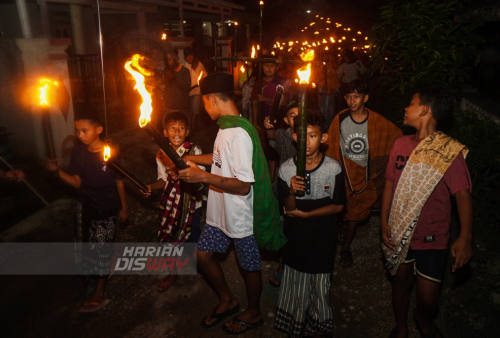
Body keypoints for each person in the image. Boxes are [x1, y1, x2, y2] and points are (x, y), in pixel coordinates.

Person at [178, 73, 286, 335]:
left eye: (204, 102)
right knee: (203, 256)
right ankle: (228, 299)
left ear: (212, 99)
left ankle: (254, 311)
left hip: (241, 216)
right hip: (220, 212)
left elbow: (243, 185)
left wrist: (202, 177)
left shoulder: (237, 133)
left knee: (249, 266)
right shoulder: (227, 127)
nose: (204, 108)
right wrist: (192, 160)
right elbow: (218, 159)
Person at [381, 83, 473, 338]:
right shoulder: (399, 144)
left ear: (424, 110)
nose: (405, 108)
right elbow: (389, 183)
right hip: (400, 230)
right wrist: (384, 222)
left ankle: (423, 320)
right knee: (400, 282)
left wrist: (465, 237)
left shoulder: (447, 151)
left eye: (411, 103)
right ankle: (401, 327)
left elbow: (462, 194)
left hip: (433, 236)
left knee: (428, 299)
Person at [274, 110, 346, 338]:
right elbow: (287, 208)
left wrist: (308, 215)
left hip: (322, 238)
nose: (306, 142)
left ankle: (318, 324)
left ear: (323, 137)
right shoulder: (286, 169)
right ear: (294, 137)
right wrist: (293, 191)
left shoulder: (333, 168)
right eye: (301, 136)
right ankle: (295, 324)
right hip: (295, 239)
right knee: (295, 284)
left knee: (319, 285)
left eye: (313, 136)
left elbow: (338, 206)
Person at [47, 116, 129, 313]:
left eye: (85, 130)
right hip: (84, 205)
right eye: (77, 131)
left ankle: (100, 292)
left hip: (106, 206)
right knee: (83, 243)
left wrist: (124, 207)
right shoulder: (77, 152)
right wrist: (56, 171)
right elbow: (77, 183)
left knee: (102, 246)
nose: (80, 135)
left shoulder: (110, 153)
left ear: (99, 129)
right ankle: (92, 273)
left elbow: (119, 181)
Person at [325, 79, 402, 267]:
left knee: (355, 214)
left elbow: (397, 135)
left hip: (365, 175)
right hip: (344, 173)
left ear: (365, 98)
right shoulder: (340, 118)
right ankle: (338, 232)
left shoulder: (376, 121)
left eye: (357, 96)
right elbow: (332, 145)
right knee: (338, 208)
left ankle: (345, 248)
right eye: (349, 96)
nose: (352, 101)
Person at [142, 112, 204, 292]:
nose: (177, 131)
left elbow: (200, 178)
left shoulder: (195, 151)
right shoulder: (161, 154)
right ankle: (173, 271)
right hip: (169, 203)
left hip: (190, 202)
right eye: (172, 128)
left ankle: (203, 266)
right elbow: (163, 179)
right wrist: (152, 187)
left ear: (187, 132)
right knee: (167, 237)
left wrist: (185, 173)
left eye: (181, 128)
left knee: (193, 239)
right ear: (165, 133)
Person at [263, 99, 298, 287]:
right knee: (284, 229)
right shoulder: (284, 135)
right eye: (293, 116)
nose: (297, 119)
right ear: (285, 120)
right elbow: (272, 135)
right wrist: (268, 125)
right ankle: (282, 267)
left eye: (301, 115)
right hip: (284, 190)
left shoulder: (310, 134)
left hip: (304, 189)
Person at [160, 48, 191, 125]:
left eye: (170, 59)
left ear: (176, 59)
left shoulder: (185, 71)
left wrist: (175, 77)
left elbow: (186, 87)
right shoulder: (165, 71)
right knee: (167, 131)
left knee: (182, 132)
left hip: (182, 109)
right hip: (168, 108)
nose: (168, 62)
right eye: (166, 60)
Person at [182, 48, 207, 131]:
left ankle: (192, 128)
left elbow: (205, 75)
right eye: (188, 56)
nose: (190, 58)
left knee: (194, 110)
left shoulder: (198, 64)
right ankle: (188, 127)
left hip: (196, 92)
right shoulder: (183, 66)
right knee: (188, 110)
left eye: (191, 56)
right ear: (185, 57)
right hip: (187, 92)